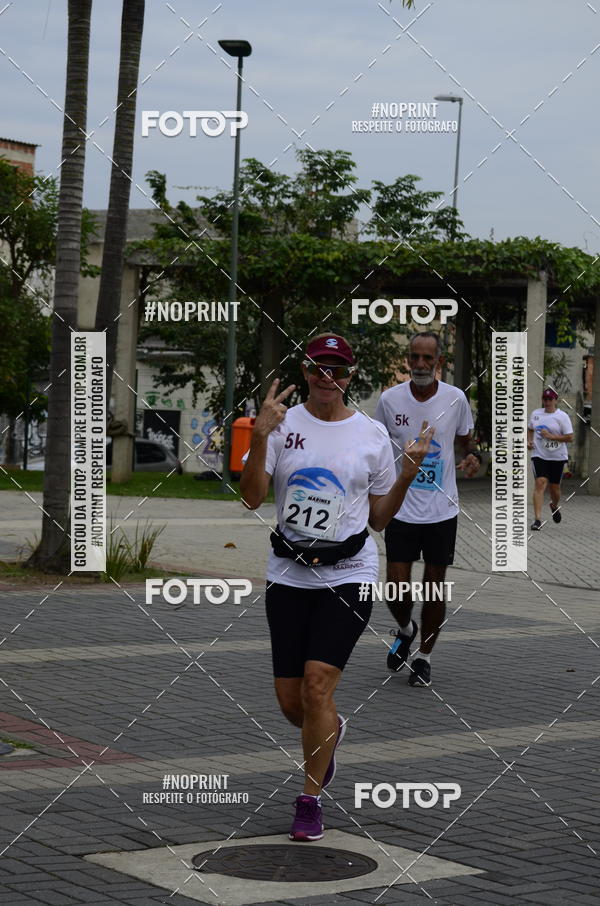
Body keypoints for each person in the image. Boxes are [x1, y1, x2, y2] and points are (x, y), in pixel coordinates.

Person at [240, 333, 433, 842]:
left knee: (317, 684)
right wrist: (260, 436)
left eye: (338, 370)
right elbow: (252, 499)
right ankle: (330, 730)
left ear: (350, 376)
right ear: (305, 371)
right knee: (291, 702)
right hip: (288, 574)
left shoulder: (370, 435)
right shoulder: (282, 425)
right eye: (318, 368)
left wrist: (407, 475)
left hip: (347, 573)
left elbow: (378, 519)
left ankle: (309, 801)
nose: (328, 378)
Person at [374, 331, 481, 688]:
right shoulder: (390, 400)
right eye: (414, 357)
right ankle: (406, 629)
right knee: (397, 590)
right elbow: (376, 447)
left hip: (441, 510)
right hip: (400, 508)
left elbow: (467, 440)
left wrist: (472, 456)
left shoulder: (456, 399)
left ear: (439, 362)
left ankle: (423, 657)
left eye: (427, 359)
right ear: (408, 359)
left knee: (434, 589)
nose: (420, 364)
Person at [528, 388, 573, 530]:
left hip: (557, 457)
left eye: (550, 399)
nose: (547, 402)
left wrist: (551, 436)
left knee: (555, 489)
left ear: (555, 400)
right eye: (545, 399)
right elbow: (530, 429)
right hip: (539, 455)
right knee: (540, 483)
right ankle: (537, 520)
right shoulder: (536, 414)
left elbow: (570, 437)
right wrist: (529, 441)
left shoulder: (562, 416)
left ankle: (554, 505)